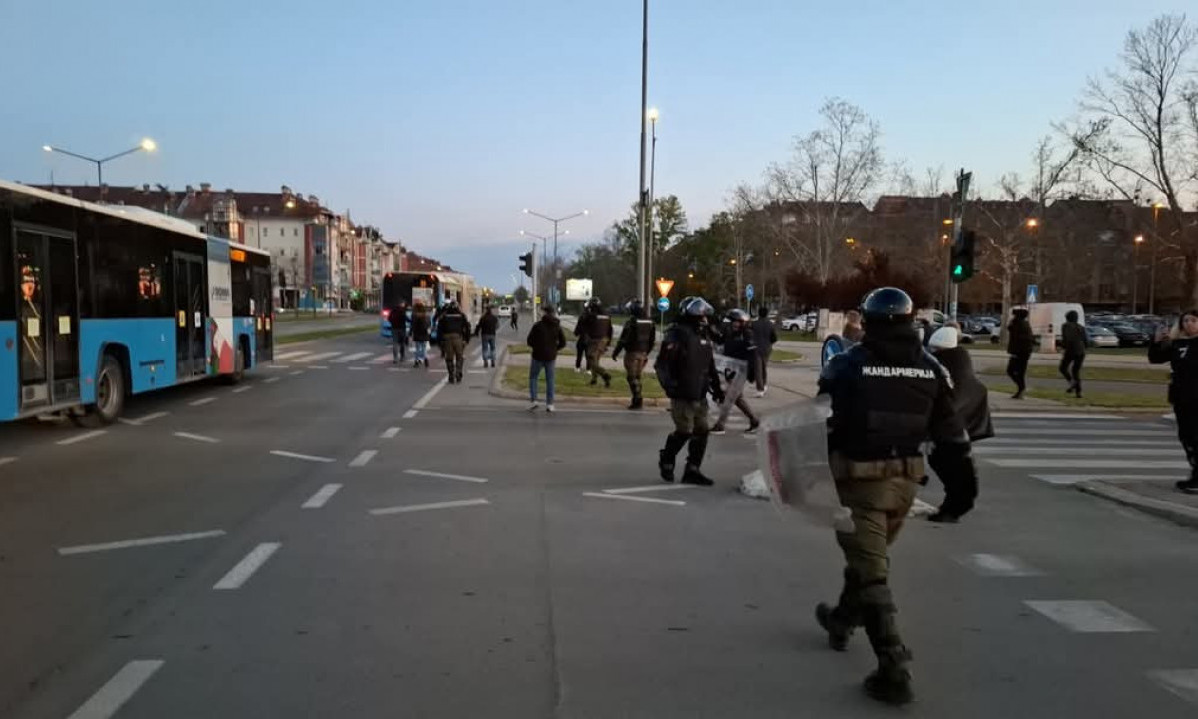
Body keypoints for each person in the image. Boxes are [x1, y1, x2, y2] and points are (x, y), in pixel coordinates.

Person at [814, 287, 969, 706]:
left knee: (872, 571)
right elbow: (951, 436)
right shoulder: (932, 369)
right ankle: (843, 620)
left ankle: (892, 667)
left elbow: (822, 422)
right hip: (906, 483)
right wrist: (960, 493)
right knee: (870, 559)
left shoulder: (847, 366)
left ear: (867, 321)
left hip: (859, 481)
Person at [655, 296, 724, 487]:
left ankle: (693, 469)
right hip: (682, 393)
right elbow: (662, 365)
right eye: (702, 316)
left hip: (700, 392)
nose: (705, 319)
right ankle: (667, 459)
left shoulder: (703, 335)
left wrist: (717, 388)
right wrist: (670, 386)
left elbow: (709, 365)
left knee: (702, 430)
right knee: (684, 431)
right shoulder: (677, 335)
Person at [925, 327, 990, 522]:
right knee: (954, 469)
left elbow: (946, 401)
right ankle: (953, 506)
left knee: (950, 468)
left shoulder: (945, 368)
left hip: (948, 431)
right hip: (956, 430)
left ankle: (952, 509)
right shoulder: (960, 365)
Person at [1149, 310, 1198, 494]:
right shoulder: (1178, 344)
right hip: (1181, 396)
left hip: (1196, 396)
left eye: (1193, 320)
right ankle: (1195, 473)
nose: (1189, 324)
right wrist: (1157, 342)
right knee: (1186, 436)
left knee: (1195, 436)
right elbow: (1155, 358)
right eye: (1185, 320)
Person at [710, 309, 760, 435]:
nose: (734, 324)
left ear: (743, 322)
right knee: (738, 398)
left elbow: (753, 355)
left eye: (736, 322)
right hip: (731, 368)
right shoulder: (730, 333)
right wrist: (710, 329)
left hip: (742, 369)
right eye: (732, 321)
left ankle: (720, 425)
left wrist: (753, 373)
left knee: (729, 397)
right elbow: (719, 340)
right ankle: (754, 420)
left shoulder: (747, 334)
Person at [612, 300, 656, 410]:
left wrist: (616, 352)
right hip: (643, 353)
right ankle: (637, 398)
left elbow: (623, 339)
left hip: (632, 352)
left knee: (631, 377)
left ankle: (637, 399)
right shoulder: (650, 322)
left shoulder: (632, 322)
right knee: (637, 376)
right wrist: (647, 352)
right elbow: (652, 340)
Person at [526, 304, 568, 413]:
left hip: (537, 356)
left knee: (533, 377)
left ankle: (534, 400)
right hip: (551, 357)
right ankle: (550, 404)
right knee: (550, 380)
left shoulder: (537, 326)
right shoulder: (557, 326)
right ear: (553, 313)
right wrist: (555, 349)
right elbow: (563, 342)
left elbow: (529, 341)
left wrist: (536, 347)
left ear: (544, 313)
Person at [575, 298, 613, 388]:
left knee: (591, 360)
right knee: (596, 361)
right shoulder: (607, 315)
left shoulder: (591, 315)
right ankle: (594, 380)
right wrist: (608, 342)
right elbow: (610, 329)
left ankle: (605, 374)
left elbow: (583, 326)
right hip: (604, 340)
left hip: (594, 340)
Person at [436, 301, 471, 384]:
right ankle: (458, 372)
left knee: (449, 358)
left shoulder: (444, 316)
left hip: (447, 338)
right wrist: (466, 339)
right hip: (458, 337)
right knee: (459, 356)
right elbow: (467, 328)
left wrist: (440, 342)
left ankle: (451, 375)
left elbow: (439, 330)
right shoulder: (461, 316)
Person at [1006, 308, 1034, 399]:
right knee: (1020, 372)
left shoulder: (1017, 324)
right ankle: (1021, 390)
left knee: (1011, 370)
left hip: (1019, 352)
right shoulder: (1025, 324)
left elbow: (1011, 330)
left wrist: (1015, 351)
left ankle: (1021, 388)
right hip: (1025, 352)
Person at [1059, 309, 1086, 397]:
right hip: (1081, 351)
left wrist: (1063, 346)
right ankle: (1078, 392)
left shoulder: (1066, 326)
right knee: (1076, 371)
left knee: (1063, 368)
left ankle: (1072, 383)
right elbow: (1086, 340)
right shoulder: (1081, 327)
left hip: (1071, 350)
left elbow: (1066, 338)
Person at [752, 306, 777, 397]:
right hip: (767, 348)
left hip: (756, 348)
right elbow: (774, 338)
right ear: (767, 314)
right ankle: (765, 384)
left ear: (758, 313)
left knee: (758, 369)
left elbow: (750, 335)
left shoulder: (754, 324)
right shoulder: (771, 324)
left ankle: (760, 389)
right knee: (764, 367)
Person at [410, 303, 431, 368]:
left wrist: (410, 333)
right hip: (425, 334)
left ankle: (416, 362)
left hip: (417, 334)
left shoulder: (414, 315)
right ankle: (426, 359)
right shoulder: (427, 315)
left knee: (417, 349)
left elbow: (412, 325)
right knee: (424, 348)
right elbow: (429, 324)